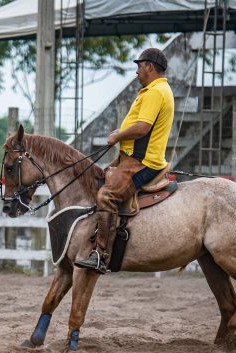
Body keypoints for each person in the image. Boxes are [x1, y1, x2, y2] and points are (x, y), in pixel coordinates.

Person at [75, 47, 174, 273]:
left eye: (139, 66)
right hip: (130, 158)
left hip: (142, 162)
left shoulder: (155, 92)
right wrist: (120, 133)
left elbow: (142, 128)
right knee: (98, 178)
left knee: (106, 195)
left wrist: (117, 135)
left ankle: (100, 255)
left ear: (150, 66)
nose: (137, 71)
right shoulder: (155, 90)